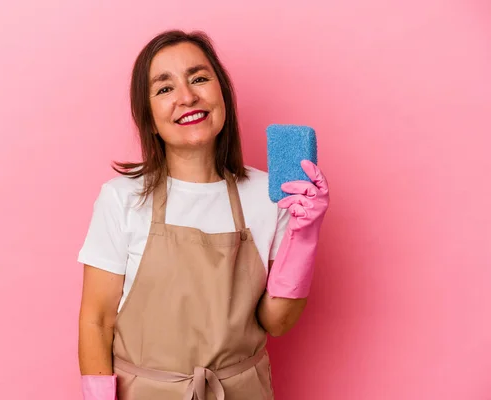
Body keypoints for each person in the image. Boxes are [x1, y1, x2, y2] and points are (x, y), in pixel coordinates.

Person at [76, 29, 330, 400]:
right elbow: (97, 320)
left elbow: (277, 322)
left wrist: (305, 234)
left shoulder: (271, 197)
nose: (187, 96)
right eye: (165, 88)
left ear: (222, 93)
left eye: (198, 78)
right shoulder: (122, 199)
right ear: (148, 116)